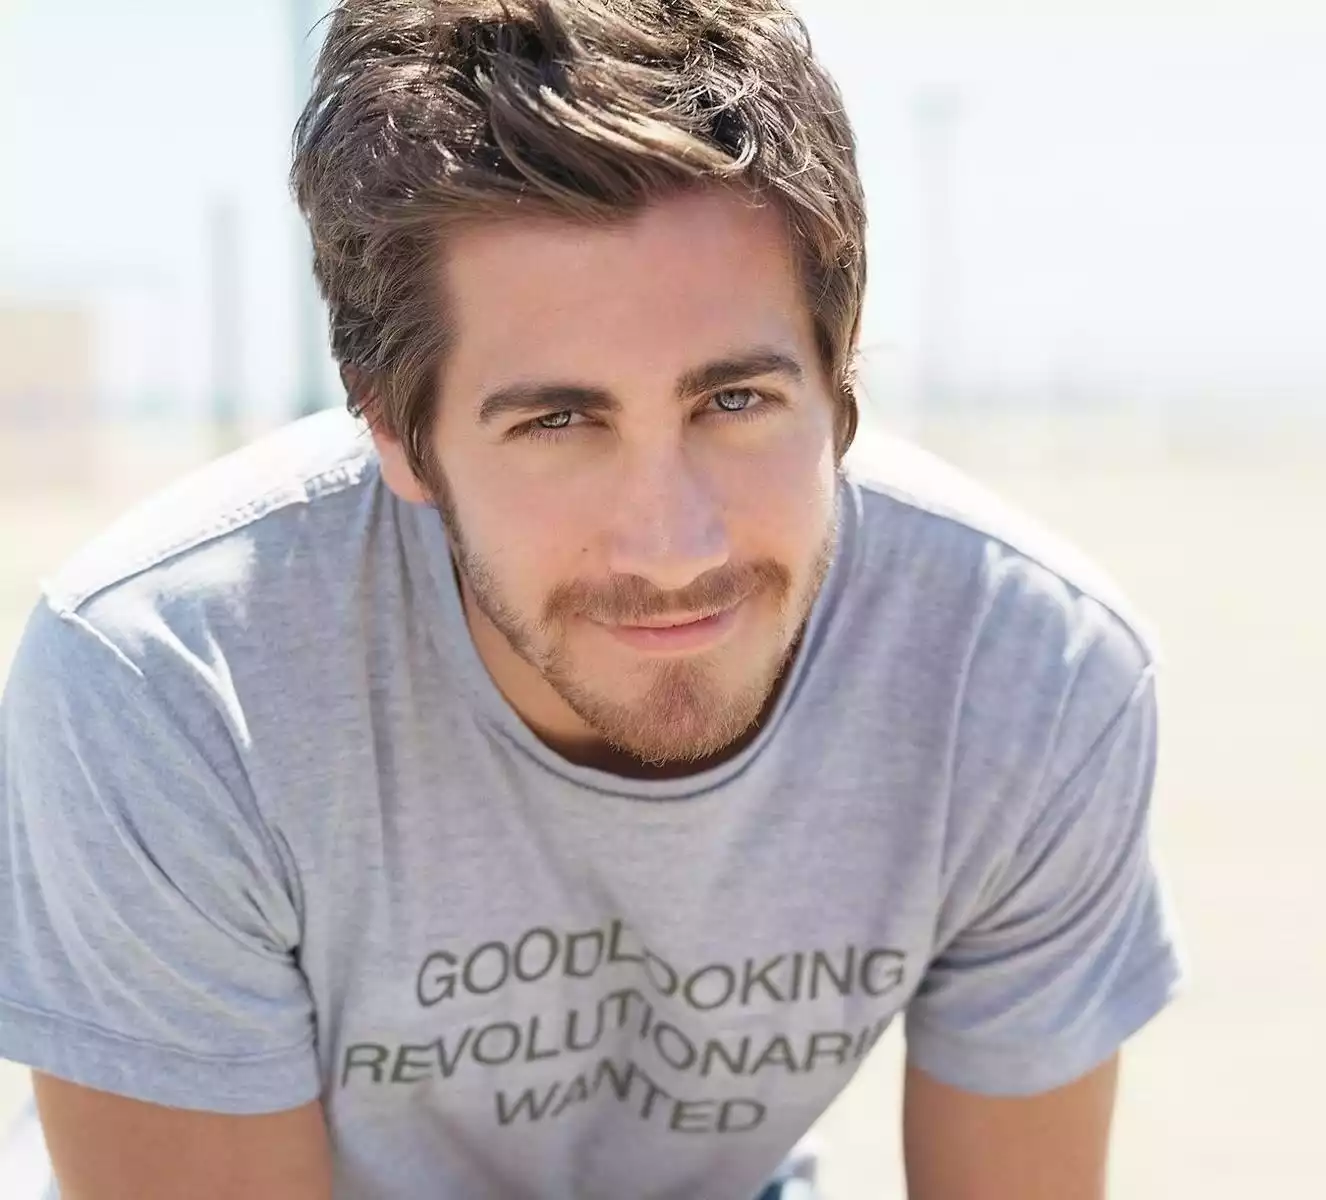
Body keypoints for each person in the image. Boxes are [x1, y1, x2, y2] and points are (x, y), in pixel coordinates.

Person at [0, 1, 1183, 1196]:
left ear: (841, 376)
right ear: (393, 429)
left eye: (734, 403)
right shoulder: (172, 679)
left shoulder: (1023, 670)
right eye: (559, 422)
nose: (671, 547)